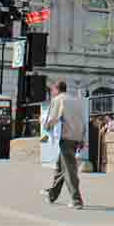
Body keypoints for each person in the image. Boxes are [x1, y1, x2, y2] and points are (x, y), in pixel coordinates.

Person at [41, 81, 87, 209]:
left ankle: (77, 201)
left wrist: (46, 126)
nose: (51, 93)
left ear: (56, 90)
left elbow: (52, 118)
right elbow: (83, 121)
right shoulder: (75, 100)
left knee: (69, 170)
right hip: (77, 137)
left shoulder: (58, 100)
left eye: (52, 91)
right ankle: (52, 195)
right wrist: (83, 139)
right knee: (60, 168)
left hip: (66, 137)